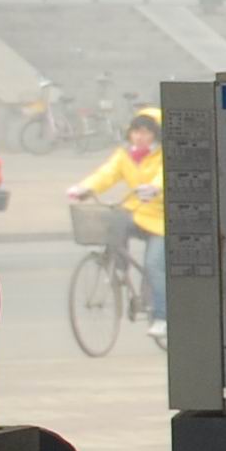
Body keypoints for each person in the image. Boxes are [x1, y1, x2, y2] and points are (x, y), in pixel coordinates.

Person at [66, 110, 166, 324]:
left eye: (146, 132)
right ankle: (118, 267)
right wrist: (84, 188)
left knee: (153, 265)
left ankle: (162, 317)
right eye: (136, 132)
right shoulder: (125, 155)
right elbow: (107, 174)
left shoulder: (164, 155)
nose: (139, 137)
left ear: (156, 134)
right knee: (115, 221)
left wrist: (155, 188)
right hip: (136, 211)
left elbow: (164, 176)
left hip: (161, 219)